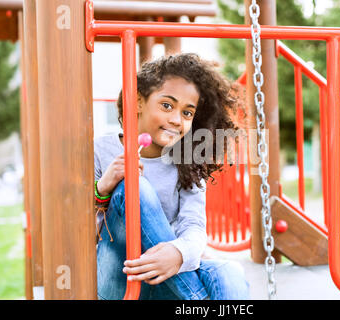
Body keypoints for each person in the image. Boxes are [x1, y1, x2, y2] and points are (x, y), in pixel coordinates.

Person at [94, 53, 250, 300]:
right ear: (138, 101)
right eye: (167, 105)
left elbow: (194, 228)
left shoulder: (188, 160)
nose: (176, 120)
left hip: (170, 279)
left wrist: (178, 254)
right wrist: (103, 189)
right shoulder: (101, 150)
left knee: (229, 271)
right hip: (120, 278)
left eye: (187, 113)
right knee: (135, 188)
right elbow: (81, 234)